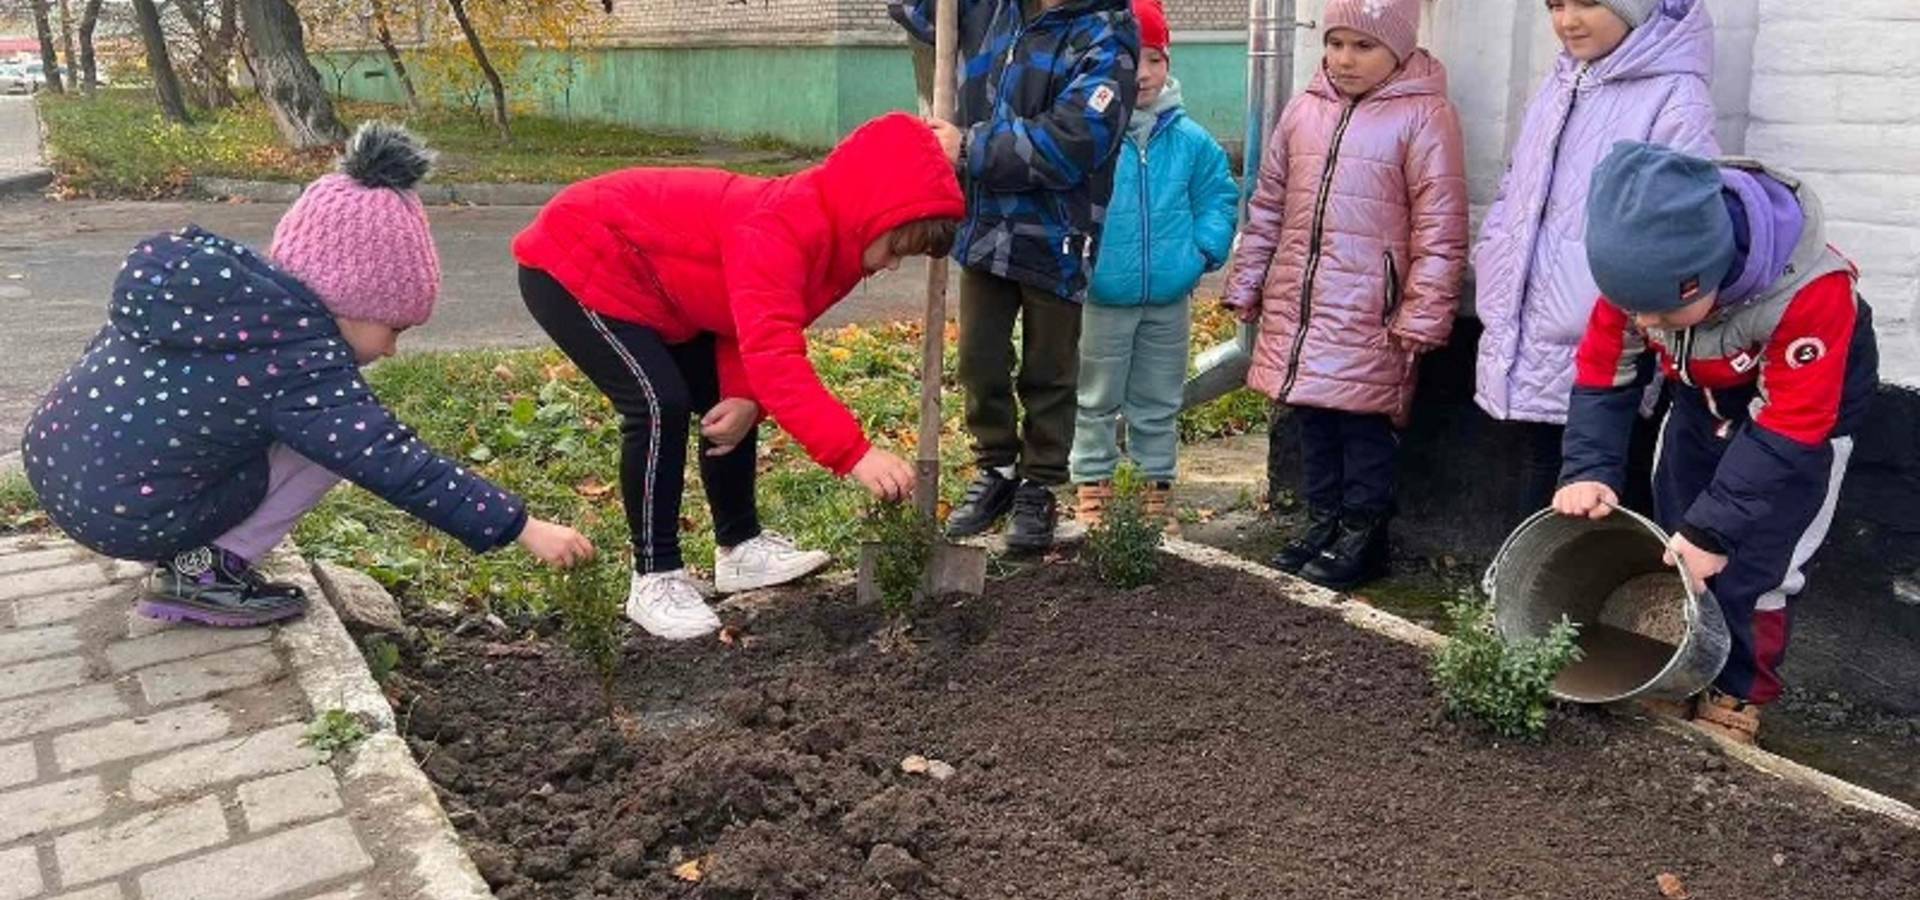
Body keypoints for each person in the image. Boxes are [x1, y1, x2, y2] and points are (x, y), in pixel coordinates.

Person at [20, 123, 594, 628]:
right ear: (353, 302)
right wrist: (523, 527)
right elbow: (394, 461)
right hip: (129, 515)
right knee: (331, 447)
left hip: (59, 467)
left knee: (287, 424)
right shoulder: (296, 363)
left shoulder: (222, 300)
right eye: (395, 329)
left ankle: (188, 550)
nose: (392, 350)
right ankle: (203, 573)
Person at [511, 113, 965, 640]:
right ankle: (654, 576)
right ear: (869, 212)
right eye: (895, 248)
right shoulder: (781, 230)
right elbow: (776, 358)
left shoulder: (839, 249)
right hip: (578, 257)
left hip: (663, 290)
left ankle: (739, 546)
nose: (891, 267)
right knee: (660, 403)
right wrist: (855, 455)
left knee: (730, 398)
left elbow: (748, 321)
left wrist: (746, 394)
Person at [1556, 143, 1879, 744]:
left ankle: (1736, 693)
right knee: (1676, 539)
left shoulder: (1812, 293)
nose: (1645, 324)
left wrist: (1715, 532)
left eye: (1661, 314)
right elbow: (1605, 372)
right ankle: (1680, 667)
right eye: (1634, 311)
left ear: (1709, 273)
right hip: (1701, 403)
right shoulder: (1638, 286)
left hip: (1800, 429)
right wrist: (1588, 468)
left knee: (1753, 567)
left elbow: (1792, 424)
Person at [1222, 0, 1467, 590]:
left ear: (1398, 51)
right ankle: (1321, 520)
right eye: (1335, 44)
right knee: (1312, 419)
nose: (1344, 59)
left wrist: (1424, 308)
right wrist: (1249, 278)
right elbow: (1270, 203)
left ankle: (1363, 533)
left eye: (1363, 46)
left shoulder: (1424, 116)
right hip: (1300, 305)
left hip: (1370, 310)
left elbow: (1439, 224)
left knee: (1361, 426)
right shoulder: (1304, 110)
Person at [890, 0, 1139, 551]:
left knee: (1049, 371)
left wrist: (970, 146)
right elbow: (917, 12)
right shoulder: (988, 10)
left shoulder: (1107, 35)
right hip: (984, 229)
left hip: (1058, 236)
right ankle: (998, 468)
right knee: (978, 359)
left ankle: (1041, 483)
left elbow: (1077, 140)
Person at [1473, 0, 1719, 511]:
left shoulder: (1675, 94)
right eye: (1555, 5)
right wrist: (1495, 251)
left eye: (1589, 2)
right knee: (1541, 462)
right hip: (1532, 318)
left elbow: (1679, 225)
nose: (1568, 20)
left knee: (1598, 479)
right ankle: (1530, 581)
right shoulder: (1561, 82)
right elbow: (1517, 185)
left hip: (1608, 329)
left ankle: (1570, 586)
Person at [1070, 0, 1237, 528]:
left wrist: (1201, 253)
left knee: (1159, 401)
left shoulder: (1191, 141)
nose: (1141, 74)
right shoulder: (1089, 136)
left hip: (1168, 298)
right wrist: (1081, 260)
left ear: (1168, 63)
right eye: (1128, 57)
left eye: (1155, 59)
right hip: (1102, 298)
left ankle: (1154, 494)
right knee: (1095, 399)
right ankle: (1094, 489)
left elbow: (1220, 197)